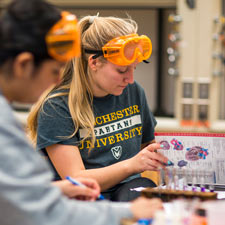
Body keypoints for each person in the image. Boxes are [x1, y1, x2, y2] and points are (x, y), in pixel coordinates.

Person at [0, 0, 163, 224]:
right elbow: (35, 210)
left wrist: (56, 190)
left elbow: (14, 196)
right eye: (55, 70)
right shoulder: (46, 108)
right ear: (24, 65)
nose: (58, 80)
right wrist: (128, 212)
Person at [27, 14, 169, 202]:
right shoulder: (57, 107)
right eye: (121, 70)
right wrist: (132, 165)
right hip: (84, 198)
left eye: (134, 68)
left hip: (129, 190)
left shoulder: (133, 91)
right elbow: (76, 180)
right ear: (94, 62)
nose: (130, 79)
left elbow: (147, 148)